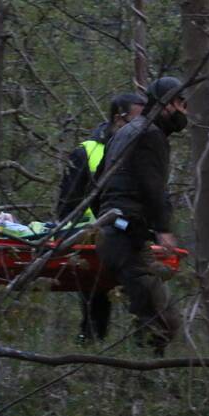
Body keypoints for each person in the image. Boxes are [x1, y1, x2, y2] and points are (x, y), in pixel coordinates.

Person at [94, 76, 188, 354]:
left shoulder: (126, 132)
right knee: (163, 323)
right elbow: (152, 188)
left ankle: (136, 378)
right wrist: (163, 228)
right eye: (182, 103)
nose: (186, 111)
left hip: (113, 233)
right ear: (166, 103)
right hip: (127, 238)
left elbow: (99, 183)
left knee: (147, 319)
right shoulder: (150, 135)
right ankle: (141, 383)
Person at [56, 93, 146, 343]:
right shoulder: (87, 152)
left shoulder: (142, 151)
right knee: (96, 305)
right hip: (91, 239)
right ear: (119, 119)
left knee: (145, 298)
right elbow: (66, 206)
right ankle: (91, 350)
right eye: (137, 120)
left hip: (131, 236)